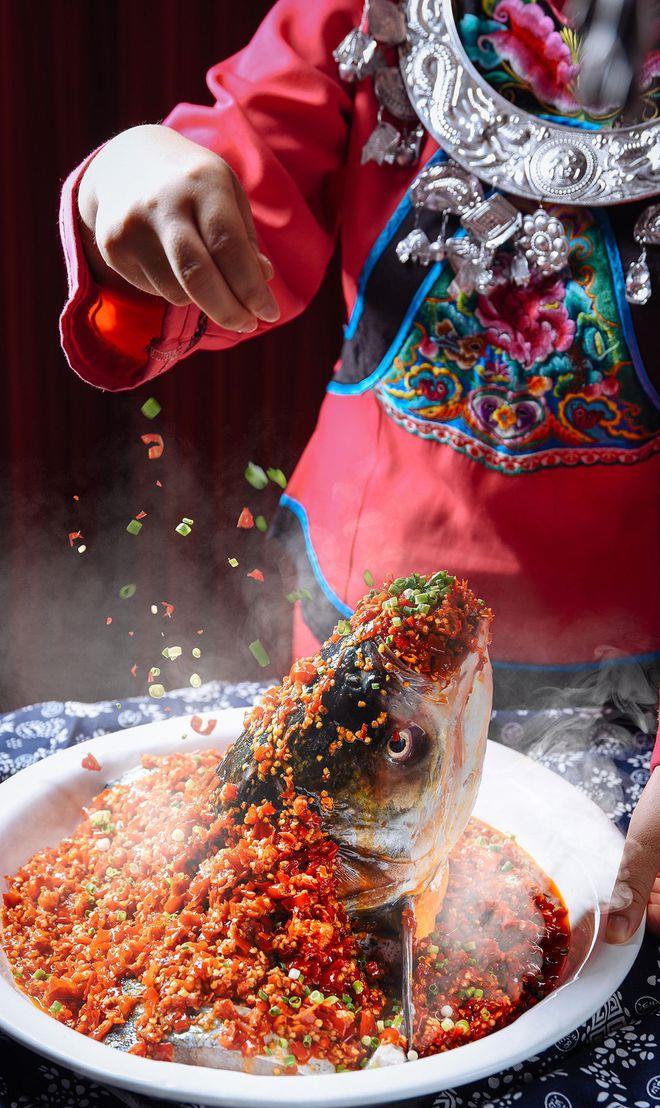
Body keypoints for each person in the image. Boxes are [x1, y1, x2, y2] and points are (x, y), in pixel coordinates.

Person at [58, 0, 659, 942]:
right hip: (364, 618)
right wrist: (145, 175)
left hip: (632, 698)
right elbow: (244, 162)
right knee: (324, 903)